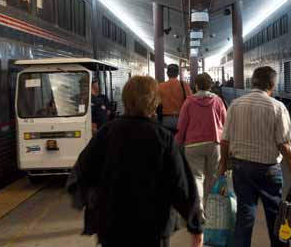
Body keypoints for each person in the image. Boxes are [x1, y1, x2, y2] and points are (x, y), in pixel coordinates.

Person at [69, 76, 203, 247]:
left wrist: (94, 200)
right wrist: (195, 225)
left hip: (113, 226)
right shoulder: (163, 137)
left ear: (126, 99)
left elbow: (81, 171)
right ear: (154, 101)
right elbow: (181, 185)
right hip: (153, 226)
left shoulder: (107, 132)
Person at [219, 66, 291, 247]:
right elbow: (284, 145)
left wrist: (222, 166)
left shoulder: (235, 105)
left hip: (241, 168)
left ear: (253, 82)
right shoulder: (277, 107)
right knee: (276, 217)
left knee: (244, 216)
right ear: (272, 84)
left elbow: (225, 140)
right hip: (268, 170)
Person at [175, 73, 227, 214]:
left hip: (193, 144)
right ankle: (210, 209)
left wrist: (178, 142)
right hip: (214, 142)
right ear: (211, 86)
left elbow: (182, 124)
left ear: (196, 85)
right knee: (212, 176)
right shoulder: (218, 101)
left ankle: (198, 210)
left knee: (196, 177)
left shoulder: (189, 101)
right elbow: (225, 122)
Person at [159, 64, 192, 131]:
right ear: (177, 73)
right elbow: (190, 102)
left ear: (167, 73)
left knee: (167, 140)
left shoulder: (160, 86)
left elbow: (158, 103)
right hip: (181, 118)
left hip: (166, 119)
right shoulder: (184, 85)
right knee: (180, 140)